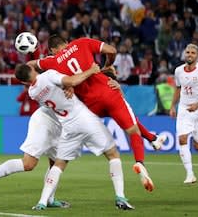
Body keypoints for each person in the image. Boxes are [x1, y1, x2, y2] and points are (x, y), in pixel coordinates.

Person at [0, 63, 134, 210]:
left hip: (61, 122)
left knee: (56, 162)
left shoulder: (33, 90)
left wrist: (72, 85)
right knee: (28, 164)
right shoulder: (49, 76)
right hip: (45, 121)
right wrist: (79, 79)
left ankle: (49, 199)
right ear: (33, 70)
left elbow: (69, 79)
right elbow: (70, 77)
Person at [30, 35, 166, 192]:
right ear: (66, 42)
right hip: (108, 91)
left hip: (90, 106)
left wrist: (33, 54)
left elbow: (31, 65)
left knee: (125, 119)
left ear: (52, 50)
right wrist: (107, 66)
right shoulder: (81, 42)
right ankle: (140, 162)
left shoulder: (51, 62)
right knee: (131, 129)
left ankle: (153, 139)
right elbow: (112, 50)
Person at [170, 44, 198, 184]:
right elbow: (178, 88)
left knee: (197, 145)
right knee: (182, 139)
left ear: (197, 56)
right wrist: (172, 106)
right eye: (187, 52)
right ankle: (190, 174)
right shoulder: (178, 71)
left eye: (193, 53)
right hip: (184, 109)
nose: (189, 54)